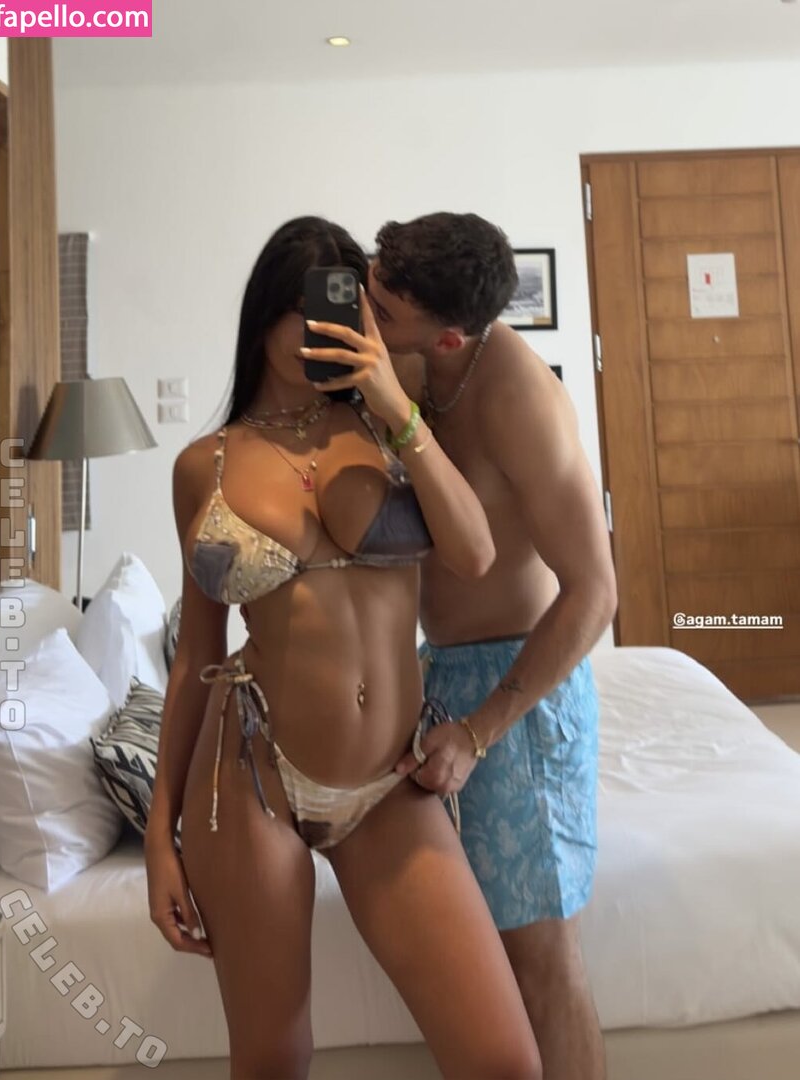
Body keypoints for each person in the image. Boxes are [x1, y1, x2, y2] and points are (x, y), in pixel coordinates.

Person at [144, 216, 541, 1080]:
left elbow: (475, 552)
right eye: (305, 308)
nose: (323, 329)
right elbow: (193, 655)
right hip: (251, 777)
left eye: (345, 308)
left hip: (389, 784)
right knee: (274, 1061)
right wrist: (158, 836)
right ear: (265, 315)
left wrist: (395, 408)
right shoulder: (205, 465)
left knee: (505, 1061)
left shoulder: (391, 430)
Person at [365, 211, 618, 1080]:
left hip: (519, 692)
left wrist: (482, 729)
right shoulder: (403, 360)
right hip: (440, 675)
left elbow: (596, 591)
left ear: (447, 338)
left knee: (541, 966)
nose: (368, 313)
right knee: (482, 965)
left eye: (385, 310)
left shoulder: (518, 398)